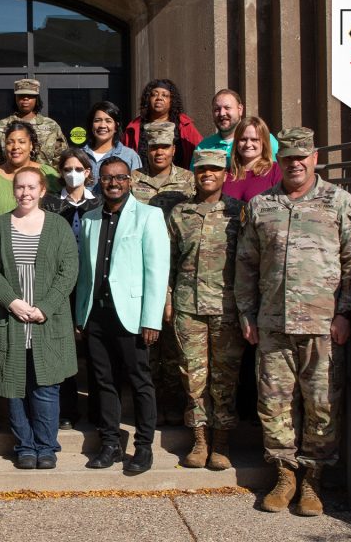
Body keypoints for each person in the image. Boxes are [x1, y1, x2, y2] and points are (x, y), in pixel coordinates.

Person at [235, 127, 351, 516]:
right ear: (279, 161)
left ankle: (313, 481)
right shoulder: (262, 205)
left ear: (315, 158)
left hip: (322, 325)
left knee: (322, 405)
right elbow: (245, 264)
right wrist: (247, 313)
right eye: (288, 158)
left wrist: (346, 312)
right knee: (273, 406)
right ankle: (284, 475)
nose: (294, 163)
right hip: (273, 325)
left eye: (301, 157)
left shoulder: (338, 202)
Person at [76, 157, 170, 474]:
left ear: (130, 181)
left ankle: (143, 448)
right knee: (103, 382)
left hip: (132, 316)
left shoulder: (148, 216)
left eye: (120, 177)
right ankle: (110, 444)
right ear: (98, 182)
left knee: (139, 381)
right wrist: (81, 316)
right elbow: (86, 275)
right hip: (98, 315)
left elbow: (157, 272)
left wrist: (151, 319)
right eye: (106, 178)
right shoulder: (89, 220)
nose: (113, 183)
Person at [0, 167, 78, 470]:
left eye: (31, 187)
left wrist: (44, 306)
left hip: (46, 319)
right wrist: (12, 301)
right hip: (11, 319)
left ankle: (46, 445)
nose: (25, 193)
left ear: (42, 190)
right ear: (14, 190)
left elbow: (68, 270)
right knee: (14, 386)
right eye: (20, 187)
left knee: (46, 386)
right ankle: (24, 446)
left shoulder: (58, 226)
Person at [167, 149, 245, 470]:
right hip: (188, 306)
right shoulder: (179, 213)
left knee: (225, 376)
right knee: (192, 374)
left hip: (227, 308)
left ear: (225, 174)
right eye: (201, 169)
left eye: (214, 169)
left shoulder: (238, 213)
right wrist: (168, 299)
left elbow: (249, 261)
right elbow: (167, 262)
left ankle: (221, 443)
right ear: (194, 174)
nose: (207, 174)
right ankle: (199, 440)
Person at [131, 121, 196, 425]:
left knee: (174, 344)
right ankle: (150, 406)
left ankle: (173, 403)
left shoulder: (190, 180)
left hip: (181, 267)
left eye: (165, 147)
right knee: (147, 343)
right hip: (142, 269)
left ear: (174, 149)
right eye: (153, 147)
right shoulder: (133, 180)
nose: (159, 152)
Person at [41, 148, 103, 428]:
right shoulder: (50, 204)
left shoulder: (99, 203)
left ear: (88, 172)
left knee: (96, 351)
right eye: (67, 169)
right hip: (60, 285)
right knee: (63, 348)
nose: (73, 173)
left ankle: (98, 411)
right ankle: (67, 410)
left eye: (78, 168)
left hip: (92, 285)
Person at [0, 121, 61, 233]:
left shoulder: (47, 174)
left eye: (22, 142)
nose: (16, 147)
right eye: (10, 142)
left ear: (31, 146)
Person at [123, 78, 203, 169]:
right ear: (148, 99)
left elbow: (201, 152)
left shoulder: (184, 125)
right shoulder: (134, 128)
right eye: (154, 95)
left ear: (171, 101)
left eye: (165, 95)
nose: (159, 98)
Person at [0, 79, 67, 167]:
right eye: (21, 96)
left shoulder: (51, 126)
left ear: (36, 99)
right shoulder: (1, 127)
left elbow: (61, 157)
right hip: (10, 178)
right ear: (15, 98)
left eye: (30, 96)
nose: (25, 99)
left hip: (44, 177)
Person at [194, 89, 278, 165]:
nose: (222, 113)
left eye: (227, 108)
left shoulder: (264, 138)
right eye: (217, 109)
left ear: (240, 109)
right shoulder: (203, 147)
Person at [81, 101, 143, 191]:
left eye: (108, 121)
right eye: (97, 120)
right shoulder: (79, 155)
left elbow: (137, 190)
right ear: (91, 125)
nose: (102, 125)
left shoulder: (129, 156)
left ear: (116, 126)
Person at [222, 116, 283, 201]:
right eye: (243, 139)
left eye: (254, 139)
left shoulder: (276, 171)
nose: (248, 144)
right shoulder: (226, 174)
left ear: (264, 142)